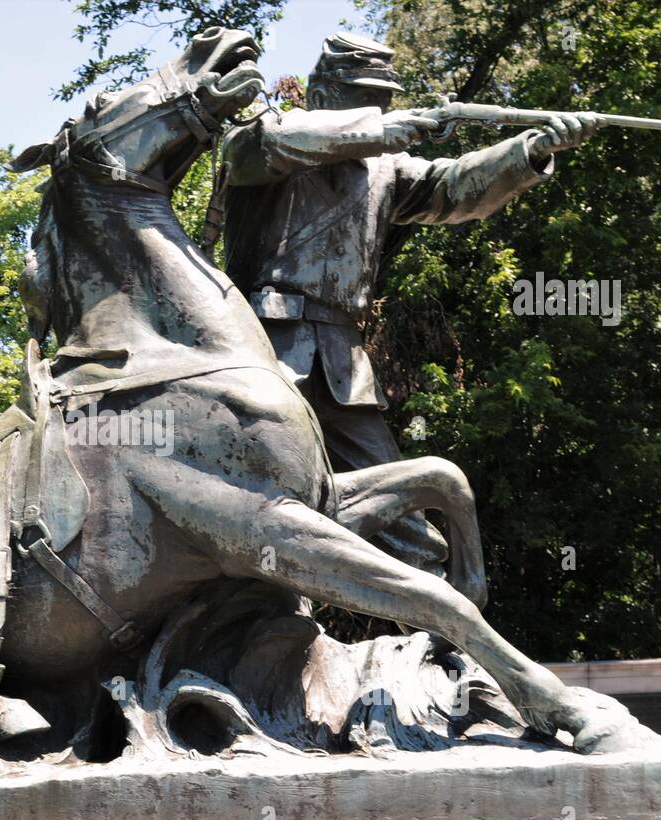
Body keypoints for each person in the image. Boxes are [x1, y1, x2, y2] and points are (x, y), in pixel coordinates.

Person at [220, 32, 602, 571]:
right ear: (321, 93)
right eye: (360, 96)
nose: (372, 109)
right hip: (259, 344)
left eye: (380, 99)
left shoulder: (386, 168)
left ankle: (442, 630)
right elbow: (259, 147)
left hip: (341, 364)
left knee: (404, 523)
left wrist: (531, 149)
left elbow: (455, 187)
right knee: (239, 490)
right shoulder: (271, 139)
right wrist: (376, 131)